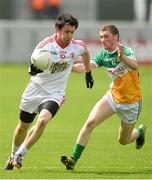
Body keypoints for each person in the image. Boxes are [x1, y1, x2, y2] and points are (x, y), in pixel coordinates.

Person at [4, 12, 94, 170]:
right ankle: (12, 155)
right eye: (66, 31)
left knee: (42, 121)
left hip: (55, 94)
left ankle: (20, 154)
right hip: (34, 90)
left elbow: (85, 53)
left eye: (72, 32)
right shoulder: (44, 46)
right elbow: (32, 68)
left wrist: (88, 73)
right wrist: (34, 70)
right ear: (57, 29)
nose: (69, 35)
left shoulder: (77, 46)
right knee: (22, 127)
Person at [60, 24, 147, 170]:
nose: (102, 39)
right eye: (101, 37)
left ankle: (139, 132)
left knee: (123, 140)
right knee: (90, 122)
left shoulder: (125, 50)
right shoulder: (103, 55)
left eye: (106, 36)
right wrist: (66, 66)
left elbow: (134, 65)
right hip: (113, 96)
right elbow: (87, 67)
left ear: (115, 37)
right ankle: (73, 159)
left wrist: (122, 57)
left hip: (131, 102)